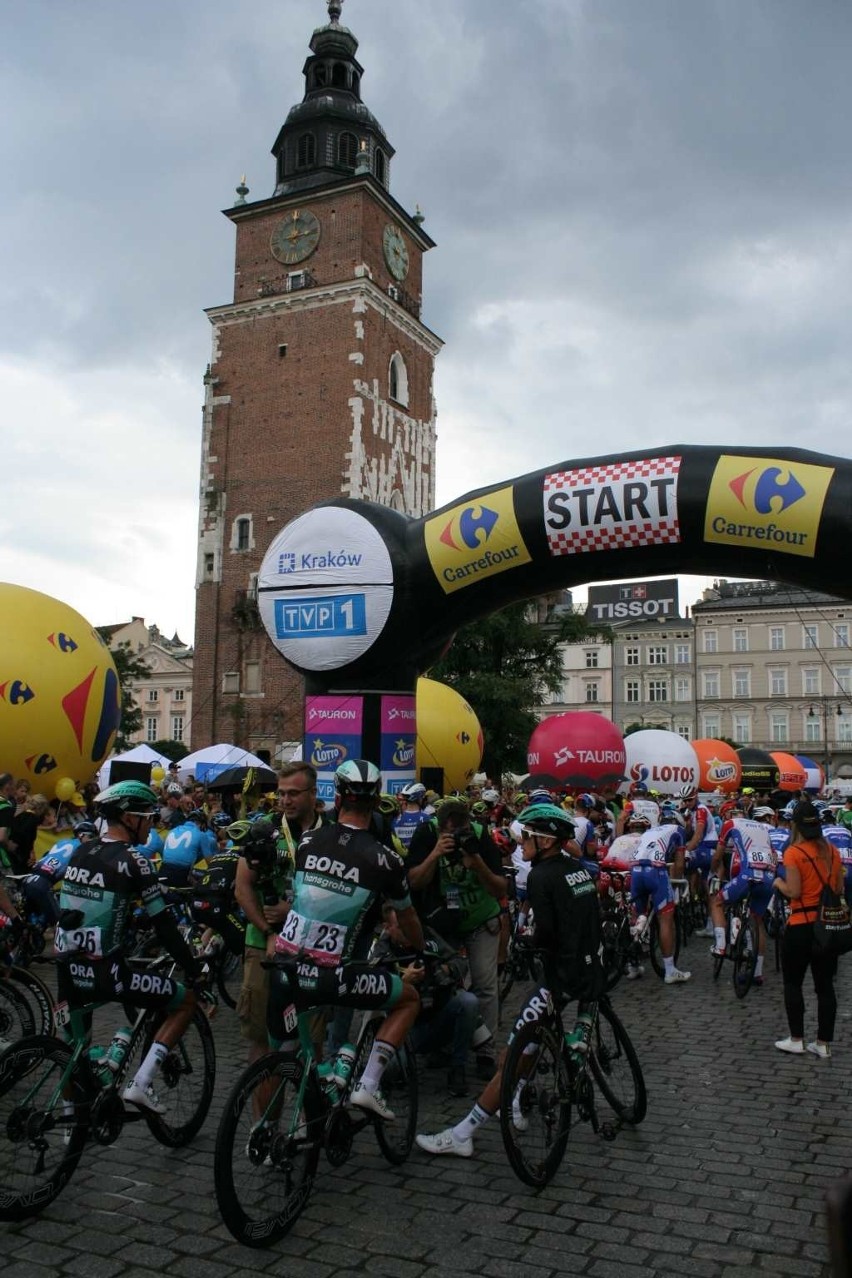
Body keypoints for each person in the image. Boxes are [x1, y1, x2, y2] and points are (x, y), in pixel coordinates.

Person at [415, 802, 602, 1158]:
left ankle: (463, 1131)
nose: (520, 845)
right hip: (587, 971)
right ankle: (522, 1092)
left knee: (510, 1057)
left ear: (545, 841)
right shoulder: (577, 869)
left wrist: (526, 943)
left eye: (527, 838)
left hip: (558, 979)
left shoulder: (539, 876)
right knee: (532, 1048)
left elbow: (544, 933)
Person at [267, 759, 424, 1120]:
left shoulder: (307, 841)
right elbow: (407, 917)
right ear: (377, 801)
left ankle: (268, 1131)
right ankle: (368, 1084)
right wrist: (419, 948)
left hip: (285, 966)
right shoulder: (385, 859)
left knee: (281, 1056)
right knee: (409, 999)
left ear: (337, 798)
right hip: (334, 976)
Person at [54, 781, 203, 1112]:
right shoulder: (136, 859)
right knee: (185, 1001)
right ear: (127, 818)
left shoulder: (81, 850)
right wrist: (193, 968)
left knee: (73, 1045)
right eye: (146, 817)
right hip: (108, 973)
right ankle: (141, 1083)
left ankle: (69, 1122)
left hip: (67, 967)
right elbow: (163, 924)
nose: (151, 824)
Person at [407, 798, 506, 1076]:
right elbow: (413, 881)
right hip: (442, 923)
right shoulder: (426, 834)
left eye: (457, 832)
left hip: (480, 918)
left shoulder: (479, 834)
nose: (453, 838)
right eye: (446, 834)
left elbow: (499, 888)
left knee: (485, 985)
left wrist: (477, 863)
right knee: (441, 984)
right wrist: (435, 854)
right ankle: (442, 1043)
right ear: (438, 828)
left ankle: (486, 1051)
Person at [234, 762, 323, 1065]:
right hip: (264, 946)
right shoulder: (264, 829)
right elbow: (242, 888)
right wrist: (269, 931)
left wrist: (295, 909)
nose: (285, 801)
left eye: (294, 794)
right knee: (262, 1040)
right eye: (282, 793)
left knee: (313, 1037)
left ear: (313, 793)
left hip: (313, 949)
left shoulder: (331, 834)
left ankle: (310, 1112)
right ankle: (264, 1115)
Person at [772, 800, 845, 1058]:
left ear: (796, 825)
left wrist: (778, 882)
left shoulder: (794, 852)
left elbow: (794, 891)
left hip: (801, 925)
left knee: (793, 983)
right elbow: (837, 889)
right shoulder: (833, 852)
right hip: (826, 926)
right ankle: (823, 1044)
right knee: (825, 986)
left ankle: (797, 1039)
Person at [708, 808, 777, 986]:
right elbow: (774, 855)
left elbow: (718, 855)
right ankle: (757, 973)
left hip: (748, 875)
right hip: (769, 877)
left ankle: (721, 945)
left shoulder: (729, 824)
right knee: (757, 920)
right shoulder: (764, 828)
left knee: (717, 902)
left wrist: (714, 871)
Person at [630, 815, 692, 984]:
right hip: (655, 872)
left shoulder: (650, 831)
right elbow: (679, 865)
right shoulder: (679, 831)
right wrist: (675, 885)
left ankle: (633, 966)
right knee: (665, 919)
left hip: (635, 870)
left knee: (638, 916)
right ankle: (670, 971)